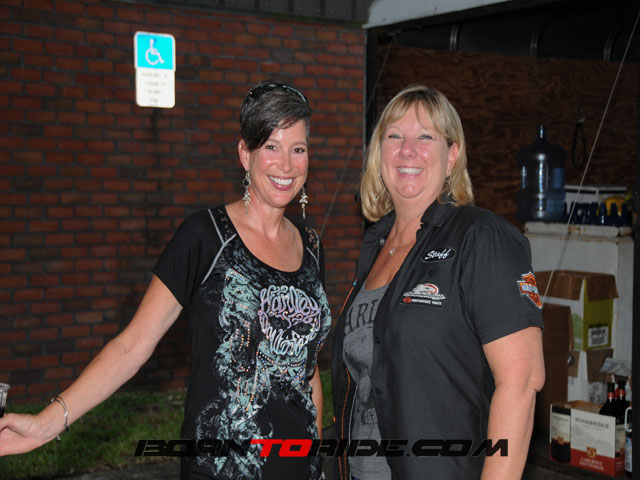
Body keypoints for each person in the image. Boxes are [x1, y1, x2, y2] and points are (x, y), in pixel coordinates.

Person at [0, 80, 332, 480]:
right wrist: (46, 423)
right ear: (245, 154)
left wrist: (315, 456)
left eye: (298, 149)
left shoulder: (311, 246)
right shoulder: (204, 237)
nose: (287, 165)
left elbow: (307, 369)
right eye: (271, 147)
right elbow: (131, 347)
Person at [331, 84, 545, 480]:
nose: (407, 150)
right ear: (379, 155)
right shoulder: (375, 245)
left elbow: (522, 380)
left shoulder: (481, 238)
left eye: (425, 137)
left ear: (452, 156)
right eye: (394, 136)